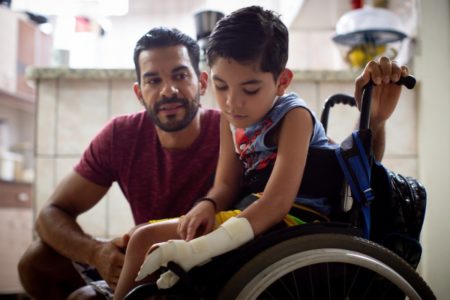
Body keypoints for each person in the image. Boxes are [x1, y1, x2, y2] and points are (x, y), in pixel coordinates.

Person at [112, 6, 412, 299]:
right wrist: (206, 204)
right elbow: (226, 185)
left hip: (297, 222)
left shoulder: (294, 116)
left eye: (250, 89)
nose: (232, 103)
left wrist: (200, 248)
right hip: (255, 213)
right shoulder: (230, 120)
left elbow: (278, 203)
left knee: (144, 240)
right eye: (221, 86)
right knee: (139, 238)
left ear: (282, 81)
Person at [18, 27, 221, 300]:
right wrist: (97, 253)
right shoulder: (120, 135)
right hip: (143, 260)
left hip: (211, 268)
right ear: (139, 93)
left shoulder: (230, 133)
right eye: (153, 80)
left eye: (180, 75)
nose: (168, 90)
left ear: (203, 82)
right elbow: (50, 215)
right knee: (36, 261)